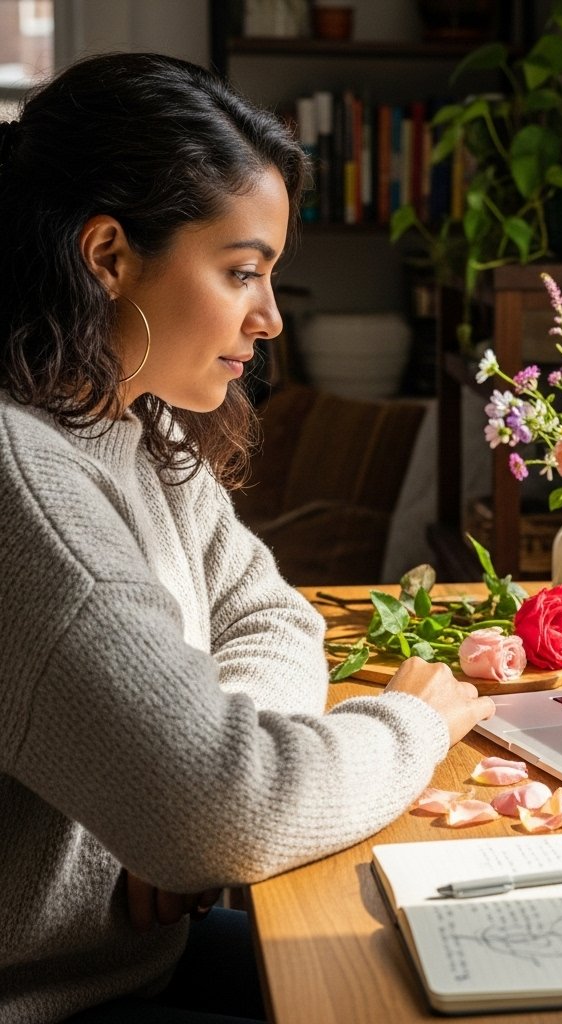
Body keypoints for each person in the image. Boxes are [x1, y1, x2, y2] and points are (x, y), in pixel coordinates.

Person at [0, 52, 495, 1024]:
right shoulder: (24, 482)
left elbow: (273, 618)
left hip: (129, 956)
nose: (268, 318)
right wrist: (415, 726)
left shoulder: (129, 425)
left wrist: (189, 800)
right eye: (240, 272)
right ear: (107, 256)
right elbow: (221, 807)